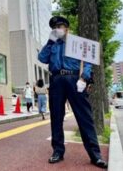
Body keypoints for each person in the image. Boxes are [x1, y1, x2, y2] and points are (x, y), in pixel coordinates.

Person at [38, 16, 107, 169]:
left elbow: (88, 61)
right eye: (55, 27)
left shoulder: (77, 42)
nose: (58, 29)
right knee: (56, 117)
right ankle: (58, 151)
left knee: (84, 117)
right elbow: (41, 58)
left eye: (61, 26)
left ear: (67, 28)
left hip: (74, 80)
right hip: (56, 81)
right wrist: (50, 42)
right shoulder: (53, 45)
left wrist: (84, 78)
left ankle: (95, 155)